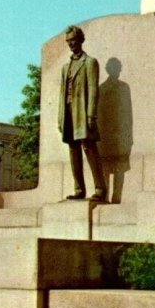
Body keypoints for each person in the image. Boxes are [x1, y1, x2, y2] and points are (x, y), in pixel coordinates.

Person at [58, 25, 107, 201]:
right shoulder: (66, 67)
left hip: (83, 112)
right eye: (68, 41)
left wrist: (91, 114)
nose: (71, 43)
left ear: (80, 40)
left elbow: (94, 90)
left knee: (89, 147)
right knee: (73, 148)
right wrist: (61, 117)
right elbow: (62, 93)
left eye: (73, 40)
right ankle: (79, 189)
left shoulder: (90, 62)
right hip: (69, 112)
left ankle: (100, 188)